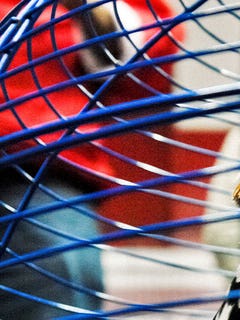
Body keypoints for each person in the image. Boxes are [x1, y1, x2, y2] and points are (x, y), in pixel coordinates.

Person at [0, 1, 183, 318]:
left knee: (57, 276)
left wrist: (88, 9)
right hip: (41, 156)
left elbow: (149, 48)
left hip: (35, 163)